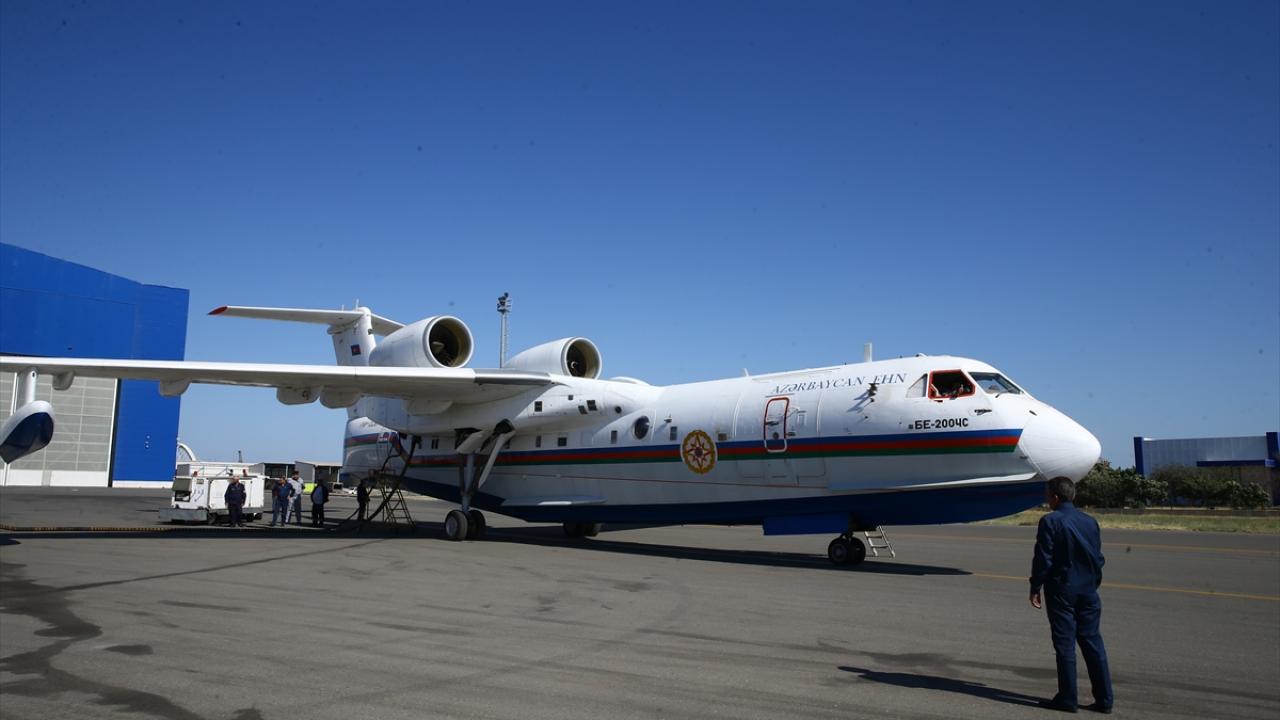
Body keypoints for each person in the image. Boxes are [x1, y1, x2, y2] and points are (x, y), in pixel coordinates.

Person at [1030, 477, 1114, 714]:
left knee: (1065, 644)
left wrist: (1035, 586)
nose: (1046, 499)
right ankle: (1105, 699)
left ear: (1055, 497)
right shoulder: (1090, 521)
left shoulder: (1050, 521)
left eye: (1048, 495)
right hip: (1088, 590)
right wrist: (1092, 581)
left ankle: (1068, 697)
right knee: (1092, 643)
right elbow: (1098, 557)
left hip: (1062, 591)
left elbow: (1043, 559)